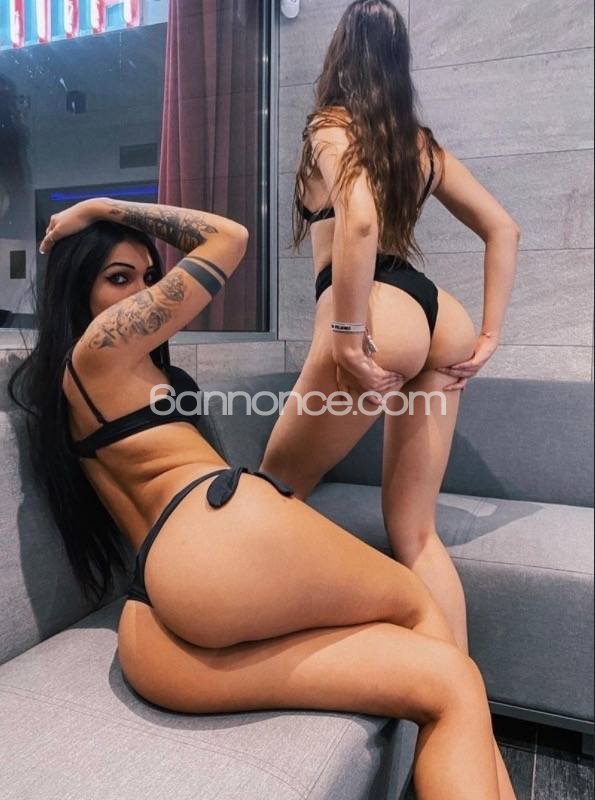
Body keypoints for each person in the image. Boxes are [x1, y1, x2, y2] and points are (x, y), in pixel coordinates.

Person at [8, 196, 506, 798]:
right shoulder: (98, 351)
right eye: (118, 279)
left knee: (446, 681)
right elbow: (228, 237)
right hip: (213, 548)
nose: (142, 293)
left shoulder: (90, 380)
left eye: (149, 276)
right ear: (76, 291)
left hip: (153, 628)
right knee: (426, 615)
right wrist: (101, 207)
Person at [259, 1, 520, 796]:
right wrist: (488, 333)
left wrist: (345, 333)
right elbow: (502, 228)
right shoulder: (418, 144)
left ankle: (275, 662)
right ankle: (466, 723)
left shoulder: (328, 127)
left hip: (376, 315)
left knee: (272, 492)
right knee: (415, 535)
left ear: (337, 53)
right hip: (439, 318)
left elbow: (361, 220)